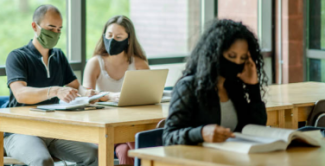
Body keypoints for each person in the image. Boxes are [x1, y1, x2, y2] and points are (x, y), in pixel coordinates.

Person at [4, 5, 98, 166]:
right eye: (51, 28)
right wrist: (54, 90)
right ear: (35, 26)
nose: (55, 33)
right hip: (20, 131)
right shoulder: (17, 57)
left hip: (52, 130)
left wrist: (87, 93)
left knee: (96, 153)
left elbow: (76, 86)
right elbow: (20, 93)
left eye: (59, 29)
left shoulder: (58, 56)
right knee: (42, 161)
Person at [163, 19, 268, 146]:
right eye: (232, 56)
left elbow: (255, 129)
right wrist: (201, 133)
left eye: (243, 58)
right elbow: (169, 136)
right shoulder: (188, 86)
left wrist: (253, 87)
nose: (237, 63)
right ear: (215, 54)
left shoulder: (234, 87)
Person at [83, 15, 149, 165]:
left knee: (126, 150)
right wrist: (110, 97)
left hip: (131, 124)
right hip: (103, 126)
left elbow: (149, 95)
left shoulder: (139, 64)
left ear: (129, 40)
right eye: (109, 35)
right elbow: (87, 97)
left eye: (119, 37)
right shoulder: (95, 63)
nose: (112, 40)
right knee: (136, 145)